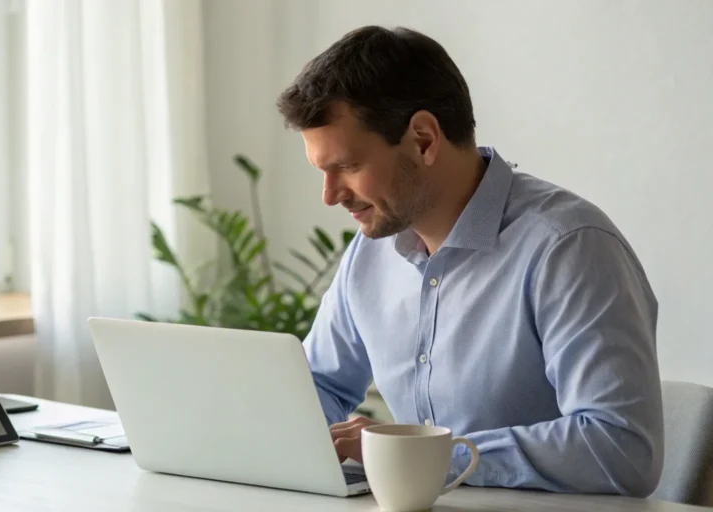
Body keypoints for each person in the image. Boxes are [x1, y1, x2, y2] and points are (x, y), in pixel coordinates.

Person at [276, 25, 663, 497]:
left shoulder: (568, 247)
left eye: (348, 167)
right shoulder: (371, 250)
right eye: (322, 171)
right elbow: (319, 384)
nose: (330, 195)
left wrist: (431, 455)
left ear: (422, 139)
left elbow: (621, 448)